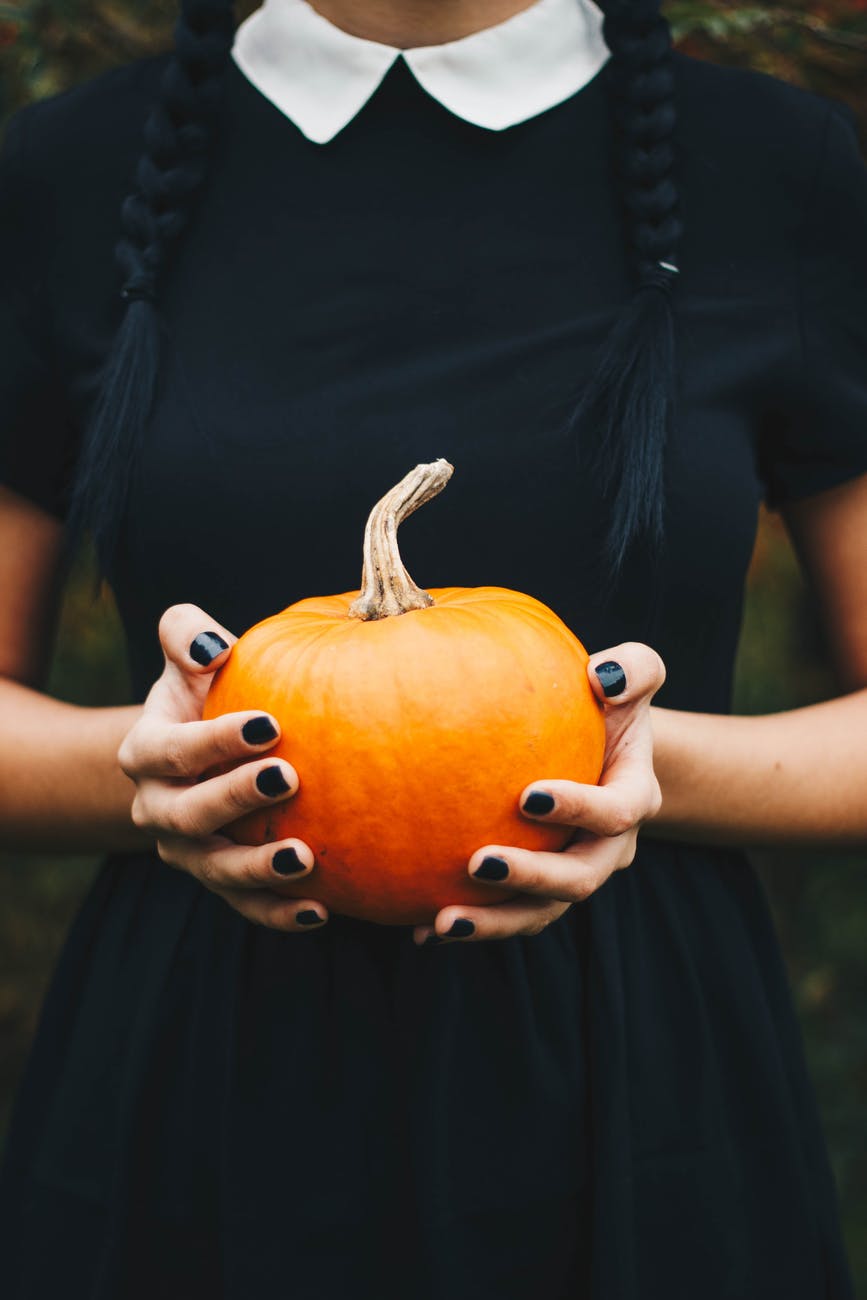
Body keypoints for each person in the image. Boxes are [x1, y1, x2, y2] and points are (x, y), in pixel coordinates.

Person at [0, 0, 864, 1294]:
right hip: (197, 1072)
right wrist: (158, 776)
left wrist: (632, 764)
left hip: (646, 1081)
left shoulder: (778, 165)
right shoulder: (67, 171)